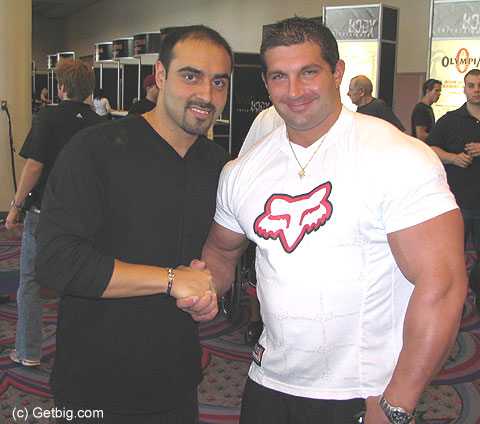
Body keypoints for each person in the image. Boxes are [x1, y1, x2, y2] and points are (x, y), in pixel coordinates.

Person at [181, 17, 467, 424]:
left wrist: (398, 403)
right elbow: (221, 254)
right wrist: (204, 287)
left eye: (308, 72)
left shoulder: (397, 157)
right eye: (279, 77)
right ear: (265, 83)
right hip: (269, 380)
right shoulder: (243, 171)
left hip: (366, 391)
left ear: (337, 73)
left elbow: (443, 284)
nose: (294, 91)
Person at [35, 26, 232, 423]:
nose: (206, 95)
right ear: (160, 75)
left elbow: (218, 259)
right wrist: (171, 279)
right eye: (190, 76)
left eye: (219, 82)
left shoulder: (218, 165)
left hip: (176, 384)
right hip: (94, 385)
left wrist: (207, 290)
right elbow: (57, 262)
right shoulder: (95, 150)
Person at [5, 59, 104, 367]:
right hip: (85, 217)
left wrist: (15, 206)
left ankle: (28, 351)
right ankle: (78, 354)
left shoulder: (47, 117)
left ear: (61, 87)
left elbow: (34, 165)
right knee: (80, 284)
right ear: (89, 90)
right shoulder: (101, 124)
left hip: (44, 212)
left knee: (31, 282)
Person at [426, 68, 480, 313]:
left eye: (479, 85)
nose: (476, 90)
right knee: (453, 260)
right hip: (458, 202)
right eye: (471, 85)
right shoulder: (450, 120)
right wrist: (453, 158)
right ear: (464, 89)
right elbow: (430, 148)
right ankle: (453, 307)